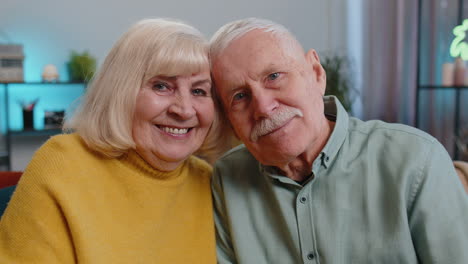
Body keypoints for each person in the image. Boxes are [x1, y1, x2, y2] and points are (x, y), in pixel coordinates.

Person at [209, 18, 468, 263]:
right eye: (240, 97)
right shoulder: (226, 180)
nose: (264, 108)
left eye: (274, 76)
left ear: (316, 73)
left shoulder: (417, 160)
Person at [0, 18, 222, 263]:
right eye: (162, 86)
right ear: (121, 91)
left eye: (199, 91)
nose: (185, 110)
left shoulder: (208, 180)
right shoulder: (63, 164)